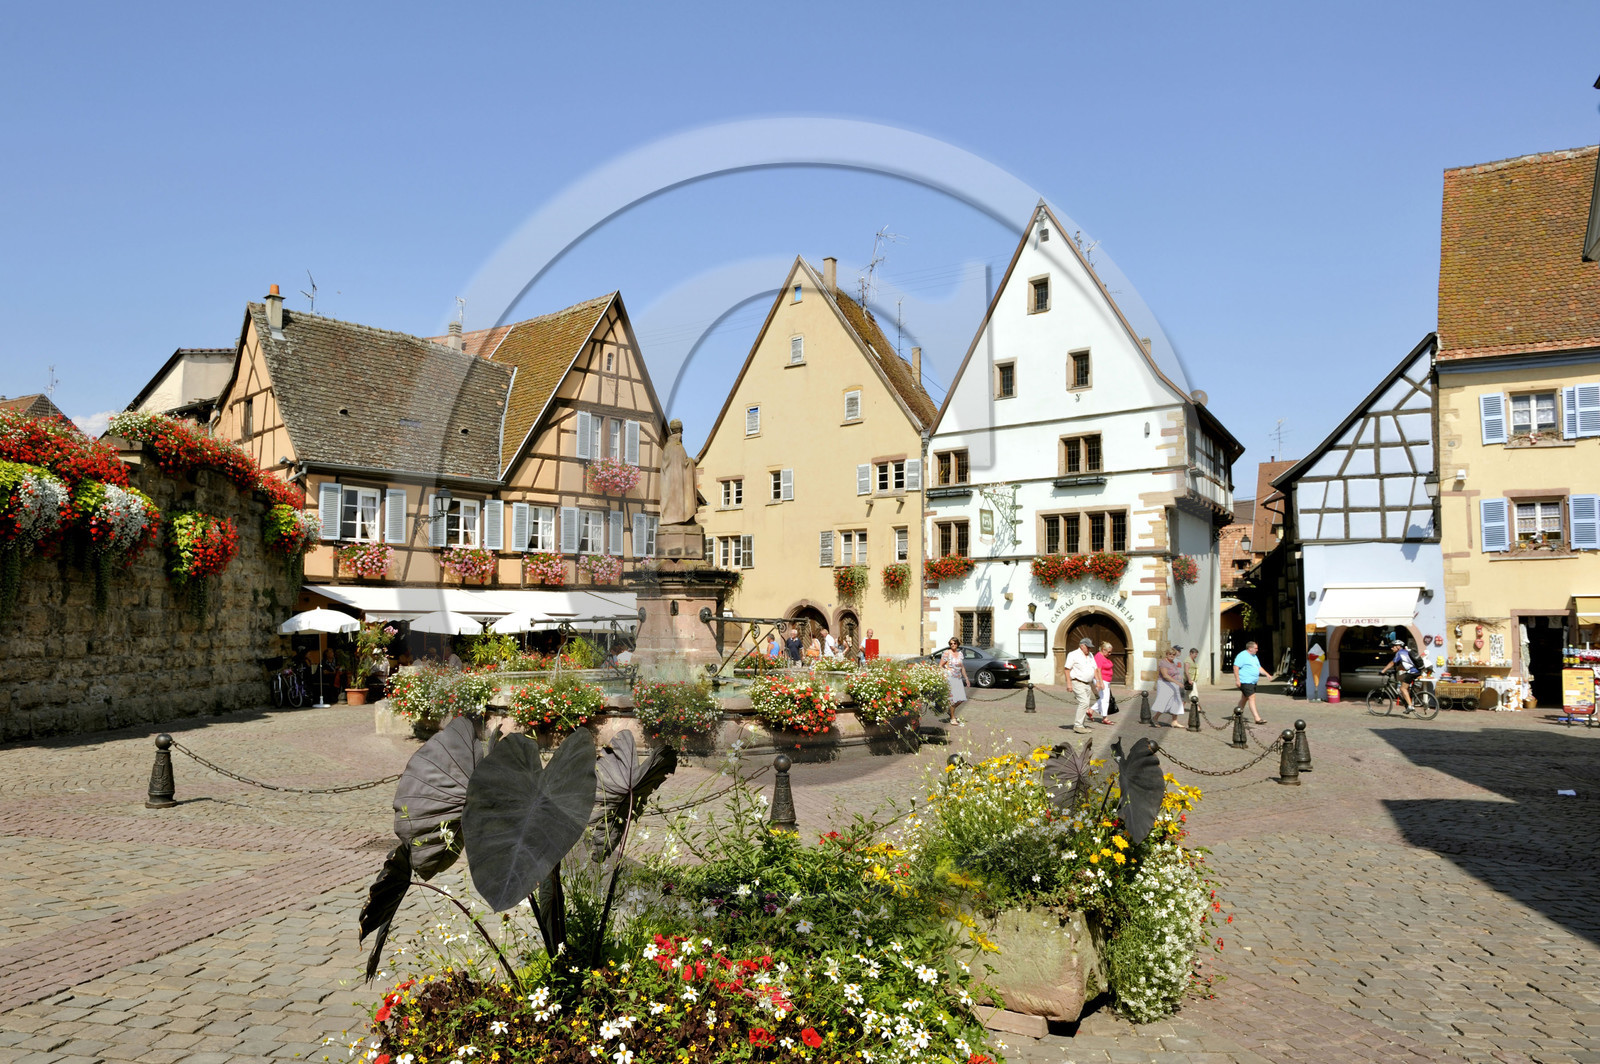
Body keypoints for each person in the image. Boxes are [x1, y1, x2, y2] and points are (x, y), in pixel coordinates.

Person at [1232, 640, 1272, 725]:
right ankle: (1257, 718)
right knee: (1252, 697)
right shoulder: (1242, 655)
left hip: (1252, 681)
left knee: (1244, 698)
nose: (1257, 650)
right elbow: (1236, 667)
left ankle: (1236, 714)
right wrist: (1237, 680)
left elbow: (1259, 667)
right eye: (1256, 648)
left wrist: (1267, 674)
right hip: (1245, 681)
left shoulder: (1254, 656)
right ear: (1250, 648)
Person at [1064, 637, 1099, 734]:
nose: (1089, 649)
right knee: (1084, 702)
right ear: (1081, 646)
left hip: (1088, 684)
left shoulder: (1091, 655)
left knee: (1086, 703)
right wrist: (1069, 683)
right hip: (1077, 682)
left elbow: (1095, 669)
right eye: (1088, 647)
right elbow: (1067, 669)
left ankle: (1081, 724)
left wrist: (1098, 681)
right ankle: (1078, 725)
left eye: (1090, 647)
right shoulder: (1073, 654)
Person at [1151, 645, 1187, 726]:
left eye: (1173, 654)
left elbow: (1174, 673)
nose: (1172, 656)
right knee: (1164, 701)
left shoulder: (1173, 662)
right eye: (1170, 654)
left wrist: (1179, 678)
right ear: (1167, 654)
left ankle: (1174, 721)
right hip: (1164, 684)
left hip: (1173, 684)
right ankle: (1155, 718)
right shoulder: (1163, 663)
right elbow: (1165, 675)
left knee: (1177, 701)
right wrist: (1177, 682)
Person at [1382, 638, 1421, 711]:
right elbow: (1404, 665)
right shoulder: (1405, 652)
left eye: (1393, 646)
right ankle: (1407, 700)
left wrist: (1383, 671)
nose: (1392, 648)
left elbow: (1392, 663)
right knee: (1403, 682)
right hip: (1416, 671)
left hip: (1412, 672)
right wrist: (1397, 670)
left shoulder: (1399, 653)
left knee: (1402, 688)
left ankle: (1410, 706)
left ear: (1398, 646)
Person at [939, 637, 969, 725]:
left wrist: (966, 678)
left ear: (957, 644)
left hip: (958, 678)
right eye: (951, 644)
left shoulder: (960, 654)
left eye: (954, 643)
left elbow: (962, 667)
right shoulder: (947, 653)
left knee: (961, 699)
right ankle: (952, 718)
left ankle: (950, 710)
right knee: (953, 699)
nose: (953, 645)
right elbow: (940, 665)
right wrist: (945, 672)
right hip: (950, 678)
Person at [1093, 641, 1116, 724]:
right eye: (1109, 652)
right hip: (1102, 679)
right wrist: (1100, 682)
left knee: (1104, 698)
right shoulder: (1099, 656)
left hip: (1106, 680)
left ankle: (1091, 710)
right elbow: (1098, 670)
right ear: (1103, 650)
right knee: (1105, 699)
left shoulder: (1104, 657)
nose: (1110, 653)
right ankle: (1104, 718)